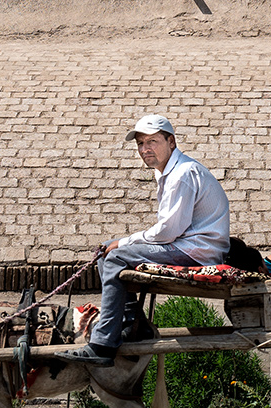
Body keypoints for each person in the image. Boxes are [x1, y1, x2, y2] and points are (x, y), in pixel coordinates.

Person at [59, 114, 229, 367]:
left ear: (171, 141)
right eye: (140, 143)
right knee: (108, 249)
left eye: (152, 141)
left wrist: (125, 242)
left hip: (196, 251)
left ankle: (103, 343)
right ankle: (131, 324)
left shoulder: (182, 174)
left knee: (116, 255)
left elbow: (168, 231)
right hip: (187, 244)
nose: (145, 149)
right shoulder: (171, 171)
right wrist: (122, 242)